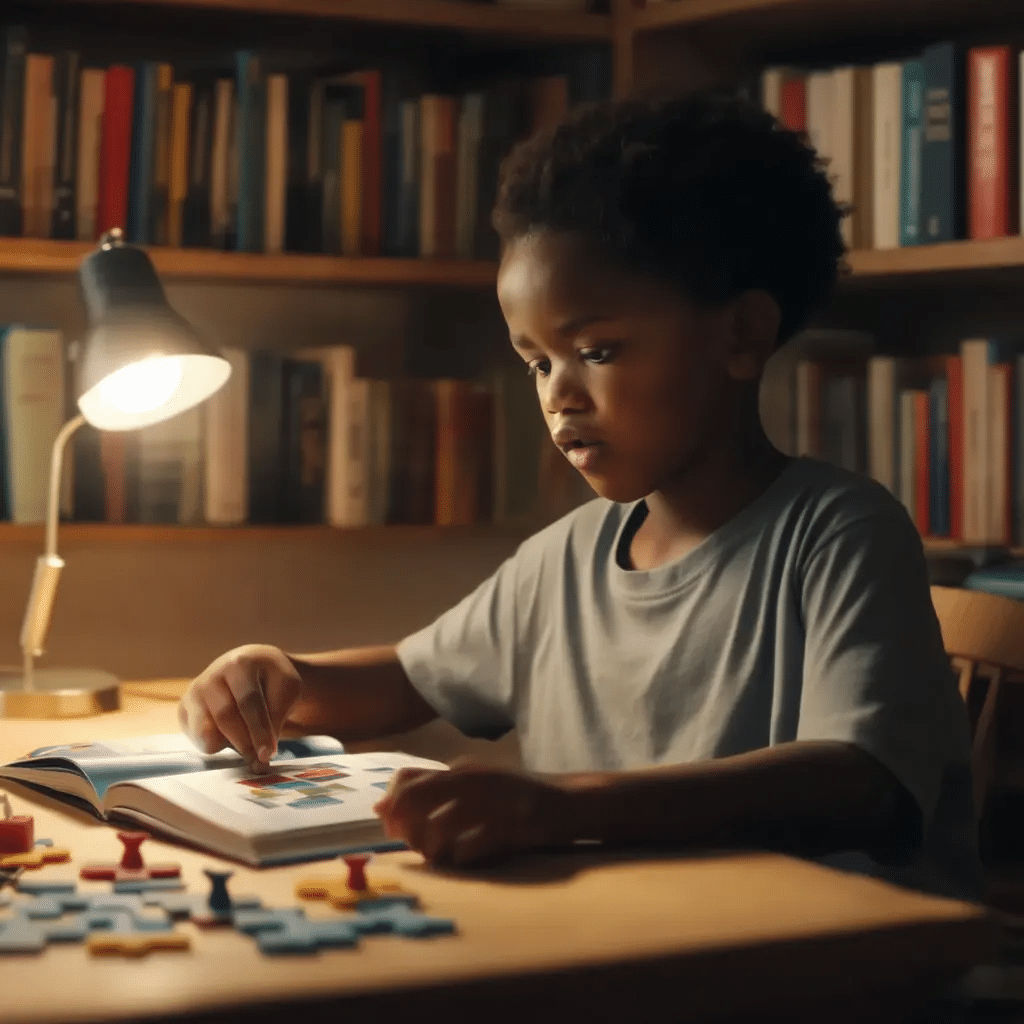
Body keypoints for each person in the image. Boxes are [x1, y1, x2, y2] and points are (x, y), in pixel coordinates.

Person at [179, 91, 982, 902]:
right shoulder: (565, 559)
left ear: (740, 334)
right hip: (627, 937)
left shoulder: (838, 533)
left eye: (596, 351)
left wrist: (562, 807)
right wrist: (283, 674)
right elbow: (408, 679)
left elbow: (858, 782)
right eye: (537, 362)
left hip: (824, 951)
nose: (559, 394)